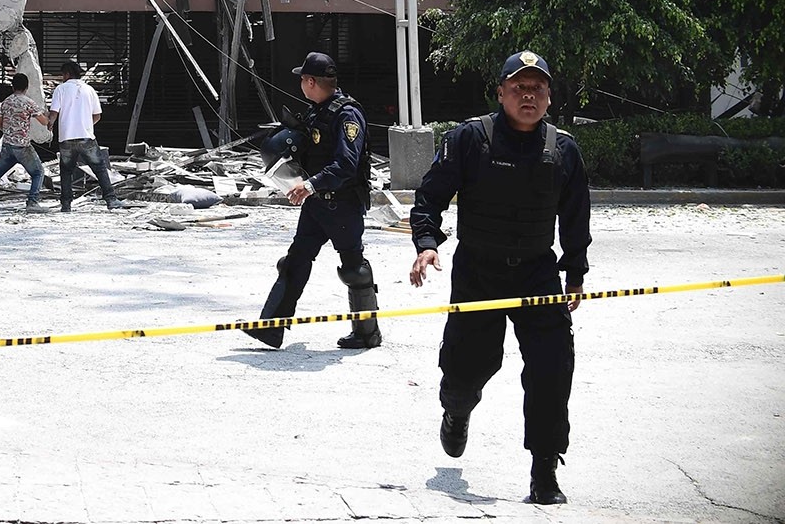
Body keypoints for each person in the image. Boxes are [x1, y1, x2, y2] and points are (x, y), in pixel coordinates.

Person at [409, 50, 591, 507]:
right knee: (469, 366)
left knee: (552, 370)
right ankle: (457, 407)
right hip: (478, 273)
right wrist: (427, 244)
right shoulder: (470, 139)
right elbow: (429, 197)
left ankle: (544, 471)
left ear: (549, 96)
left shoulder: (563, 148)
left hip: (537, 273)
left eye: (537, 88)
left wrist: (575, 271)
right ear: (501, 93)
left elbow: (575, 218)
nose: (528, 95)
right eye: (518, 87)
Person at [248, 51, 381, 351]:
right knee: (295, 261)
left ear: (310, 81)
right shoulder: (316, 112)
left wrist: (309, 184)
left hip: (343, 204)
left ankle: (367, 332)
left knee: (353, 268)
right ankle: (271, 328)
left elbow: (347, 165)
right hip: (317, 205)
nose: (301, 85)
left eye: (302, 80)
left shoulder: (347, 115)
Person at [48, 60, 119, 212]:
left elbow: (54, 112)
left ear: (67, 74)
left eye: (63, 74)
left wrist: (49, 125)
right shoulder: (90, 90)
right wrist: (86, 125)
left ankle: (66, 204)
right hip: (86, 137)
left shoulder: (60, 89)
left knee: (66, 171)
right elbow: (97, 115)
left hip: (66, 137)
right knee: (99, 168)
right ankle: (111, 200)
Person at [0, 73, 48, 212]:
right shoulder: (28, 102)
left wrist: (8, 131)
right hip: (23, 146)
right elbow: (44, 121)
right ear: (26, 87)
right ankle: (32, 202)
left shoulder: (6, 102)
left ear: (12, 86)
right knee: (38, 172)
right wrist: (48, 117)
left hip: (8, 146)